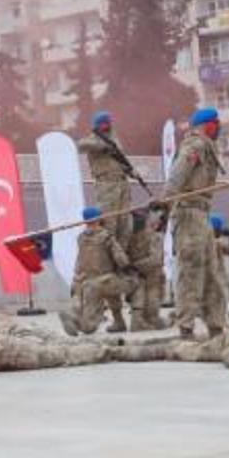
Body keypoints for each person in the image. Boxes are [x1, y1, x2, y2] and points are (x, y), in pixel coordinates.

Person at [162, 107, 227, 340]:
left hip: (202, 214)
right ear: (206, 125)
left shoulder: (206, 146)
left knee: (212, 273)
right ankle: (186, 327)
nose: (218, 127)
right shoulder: (195, 146)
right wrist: (166, 200)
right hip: (189, 214)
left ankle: (216, 325)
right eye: (215, 123)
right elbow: (178, 175)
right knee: (190, 272)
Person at [59, 207, 135, 336]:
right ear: (99, 219)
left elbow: (80, 261)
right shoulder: (106, 237)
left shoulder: (81, 238)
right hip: (102, 282)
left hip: (85, 280)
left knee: (94, 298)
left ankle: (118, 322)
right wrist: (129, 268)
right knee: (90, 327)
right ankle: (79, 323)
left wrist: (76, 278)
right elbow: (120, 259)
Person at [77, 110, 135, 257]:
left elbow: (121, 160)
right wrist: (102, 146)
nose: (105, 126)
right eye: (102, 124)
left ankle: (122, 258)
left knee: (125, 225)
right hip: (106, 186)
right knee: (109, 224)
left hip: (122, 184)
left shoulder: (114, 139)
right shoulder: (94, 140)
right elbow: (81, 145)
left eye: (107, 123)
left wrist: (131, 171)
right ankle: (108, 260)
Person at [208, 213, 229, 315]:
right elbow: (228, 250)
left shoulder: (205, 240)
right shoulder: (215, 242)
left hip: (212, 276)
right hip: (216, 277)